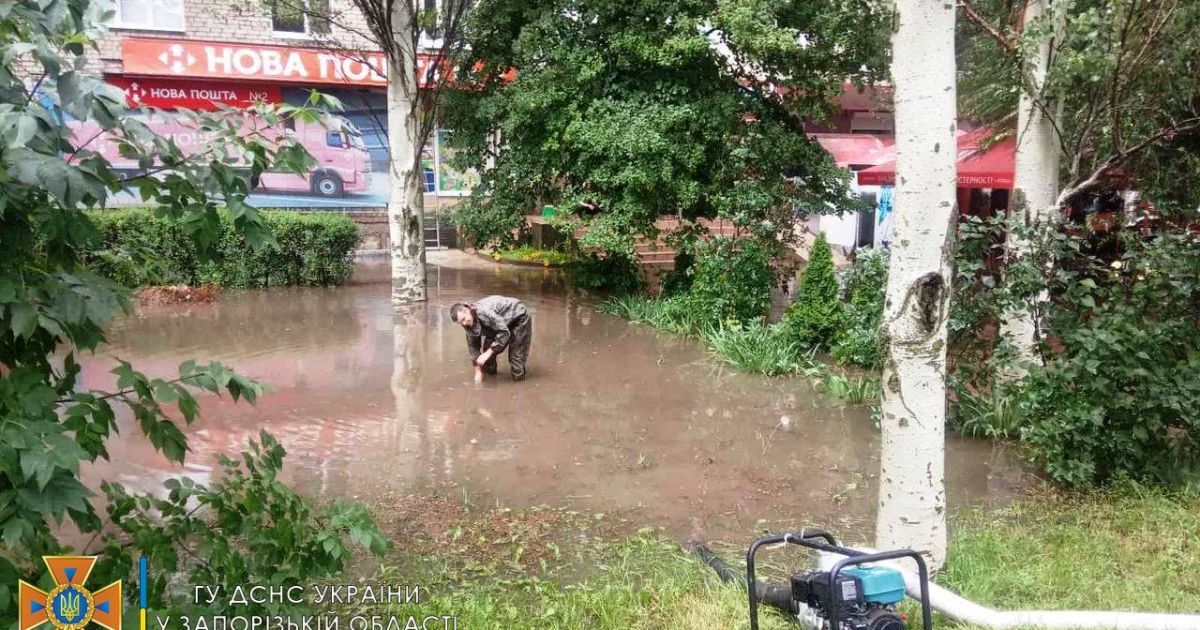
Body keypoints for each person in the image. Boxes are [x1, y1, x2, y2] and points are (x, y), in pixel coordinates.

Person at [450, 296, 533, 382]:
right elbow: (473, 348)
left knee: (515, 357)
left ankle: (519, 386)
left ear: (467, 311)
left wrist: (489, 352)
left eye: (464, 319)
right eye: (461, 323)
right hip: (499, 324)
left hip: (518, 316)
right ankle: (491, 382)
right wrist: (478, 372)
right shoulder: (467, 325)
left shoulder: (484, 313)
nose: (464, 323)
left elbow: (504, 332)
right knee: (487, 358)